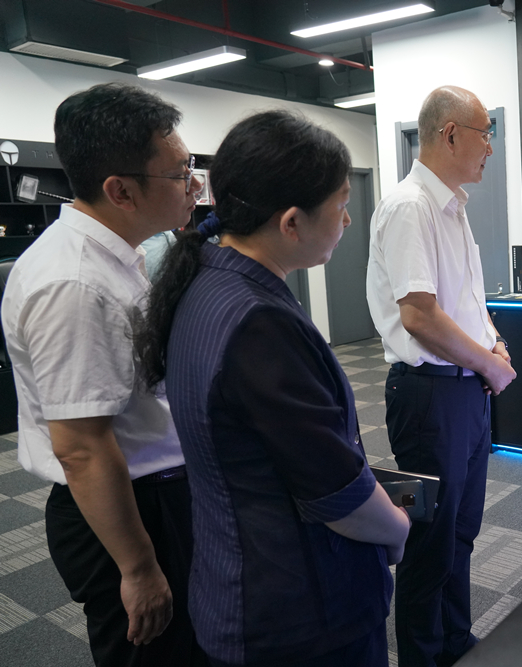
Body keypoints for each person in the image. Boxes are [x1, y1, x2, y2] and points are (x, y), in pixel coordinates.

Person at [132, 110, 410, 667]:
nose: (348, 220)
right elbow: (334, 492)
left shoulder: (206, 279)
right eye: (341, 205)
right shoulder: (259, 322)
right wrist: (397, 528)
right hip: (297, 609)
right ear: (291, 223)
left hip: (238, 581)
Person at [0, 82, 207, 666]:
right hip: (127, 515)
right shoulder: (74, 283)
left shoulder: (121, 254)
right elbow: (82, 449)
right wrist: (138, 568)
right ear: (121, 191)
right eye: (180, 173)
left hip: (153, 496)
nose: (194, 185)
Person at [366, 86, 517, 667]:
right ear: (450, 134)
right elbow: (420, 316)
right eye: (486, 134)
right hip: (429, 395)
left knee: (461, 532)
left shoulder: (452, 207)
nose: (490, 148)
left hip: (463, 391)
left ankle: (455, 644)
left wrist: (493, 342)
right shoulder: (411, 207)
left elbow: (467, 302)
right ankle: (423, 657)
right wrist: (488, 363)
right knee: (430, 543)